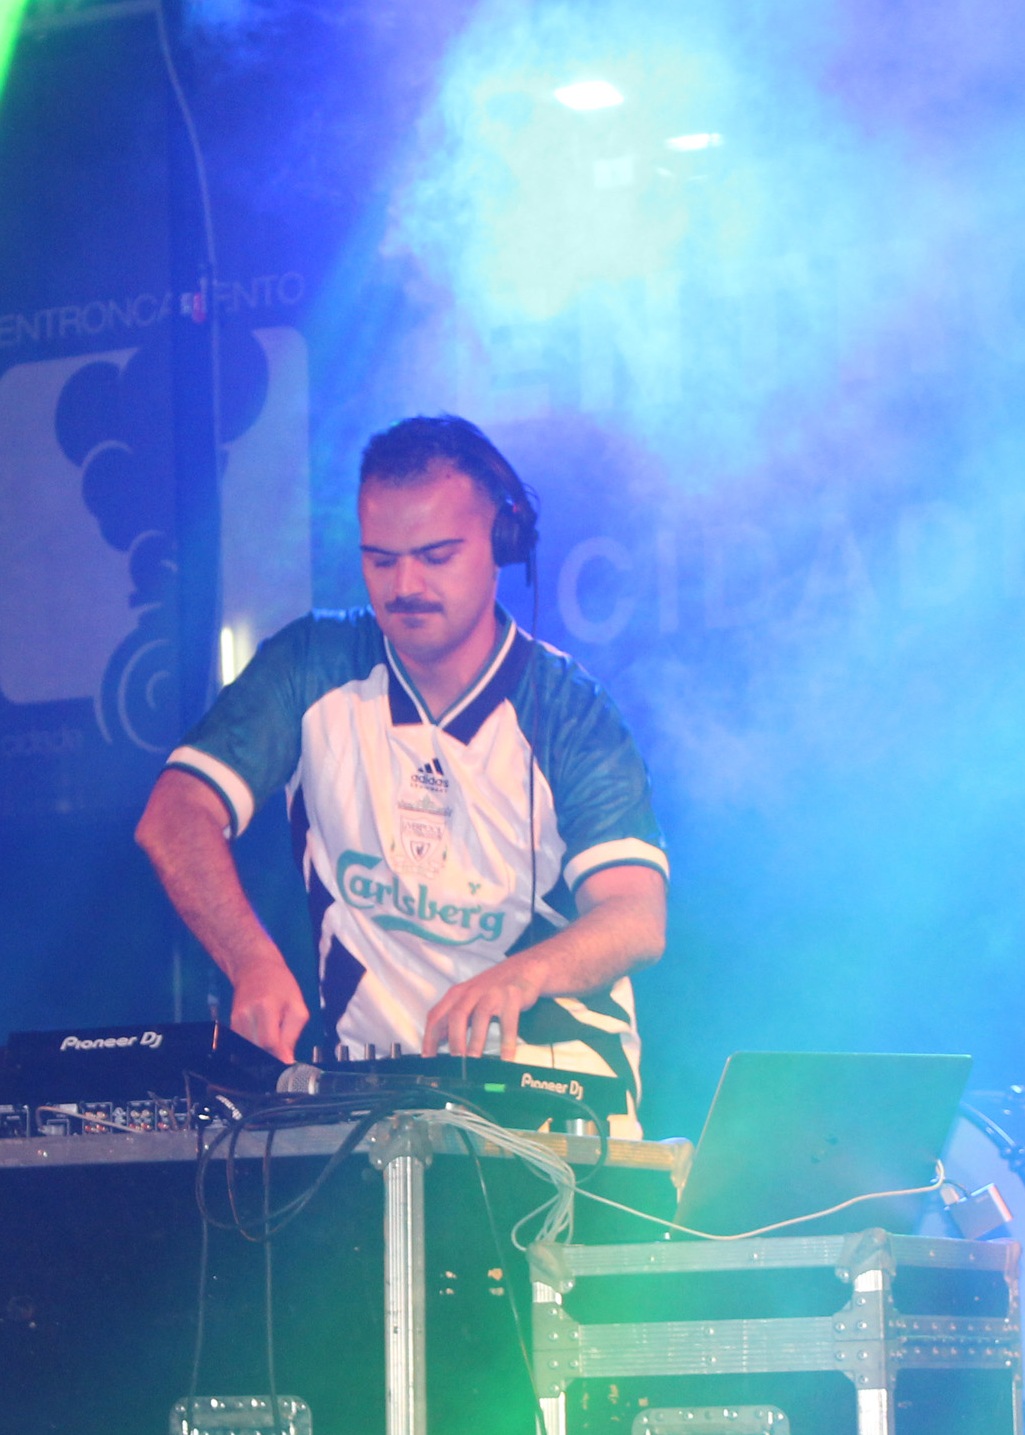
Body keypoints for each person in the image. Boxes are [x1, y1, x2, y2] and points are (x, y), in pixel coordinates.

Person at [137, 415, 668, 1129]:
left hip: (561, 1108)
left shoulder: (572, 711)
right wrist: (249, 960)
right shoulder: (310, 666)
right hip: (371, 1113)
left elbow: (636, 916)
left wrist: (520, 976)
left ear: (501, 544)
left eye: (436, 556)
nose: (405, 585)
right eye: (381, 560)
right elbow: (174, 815)